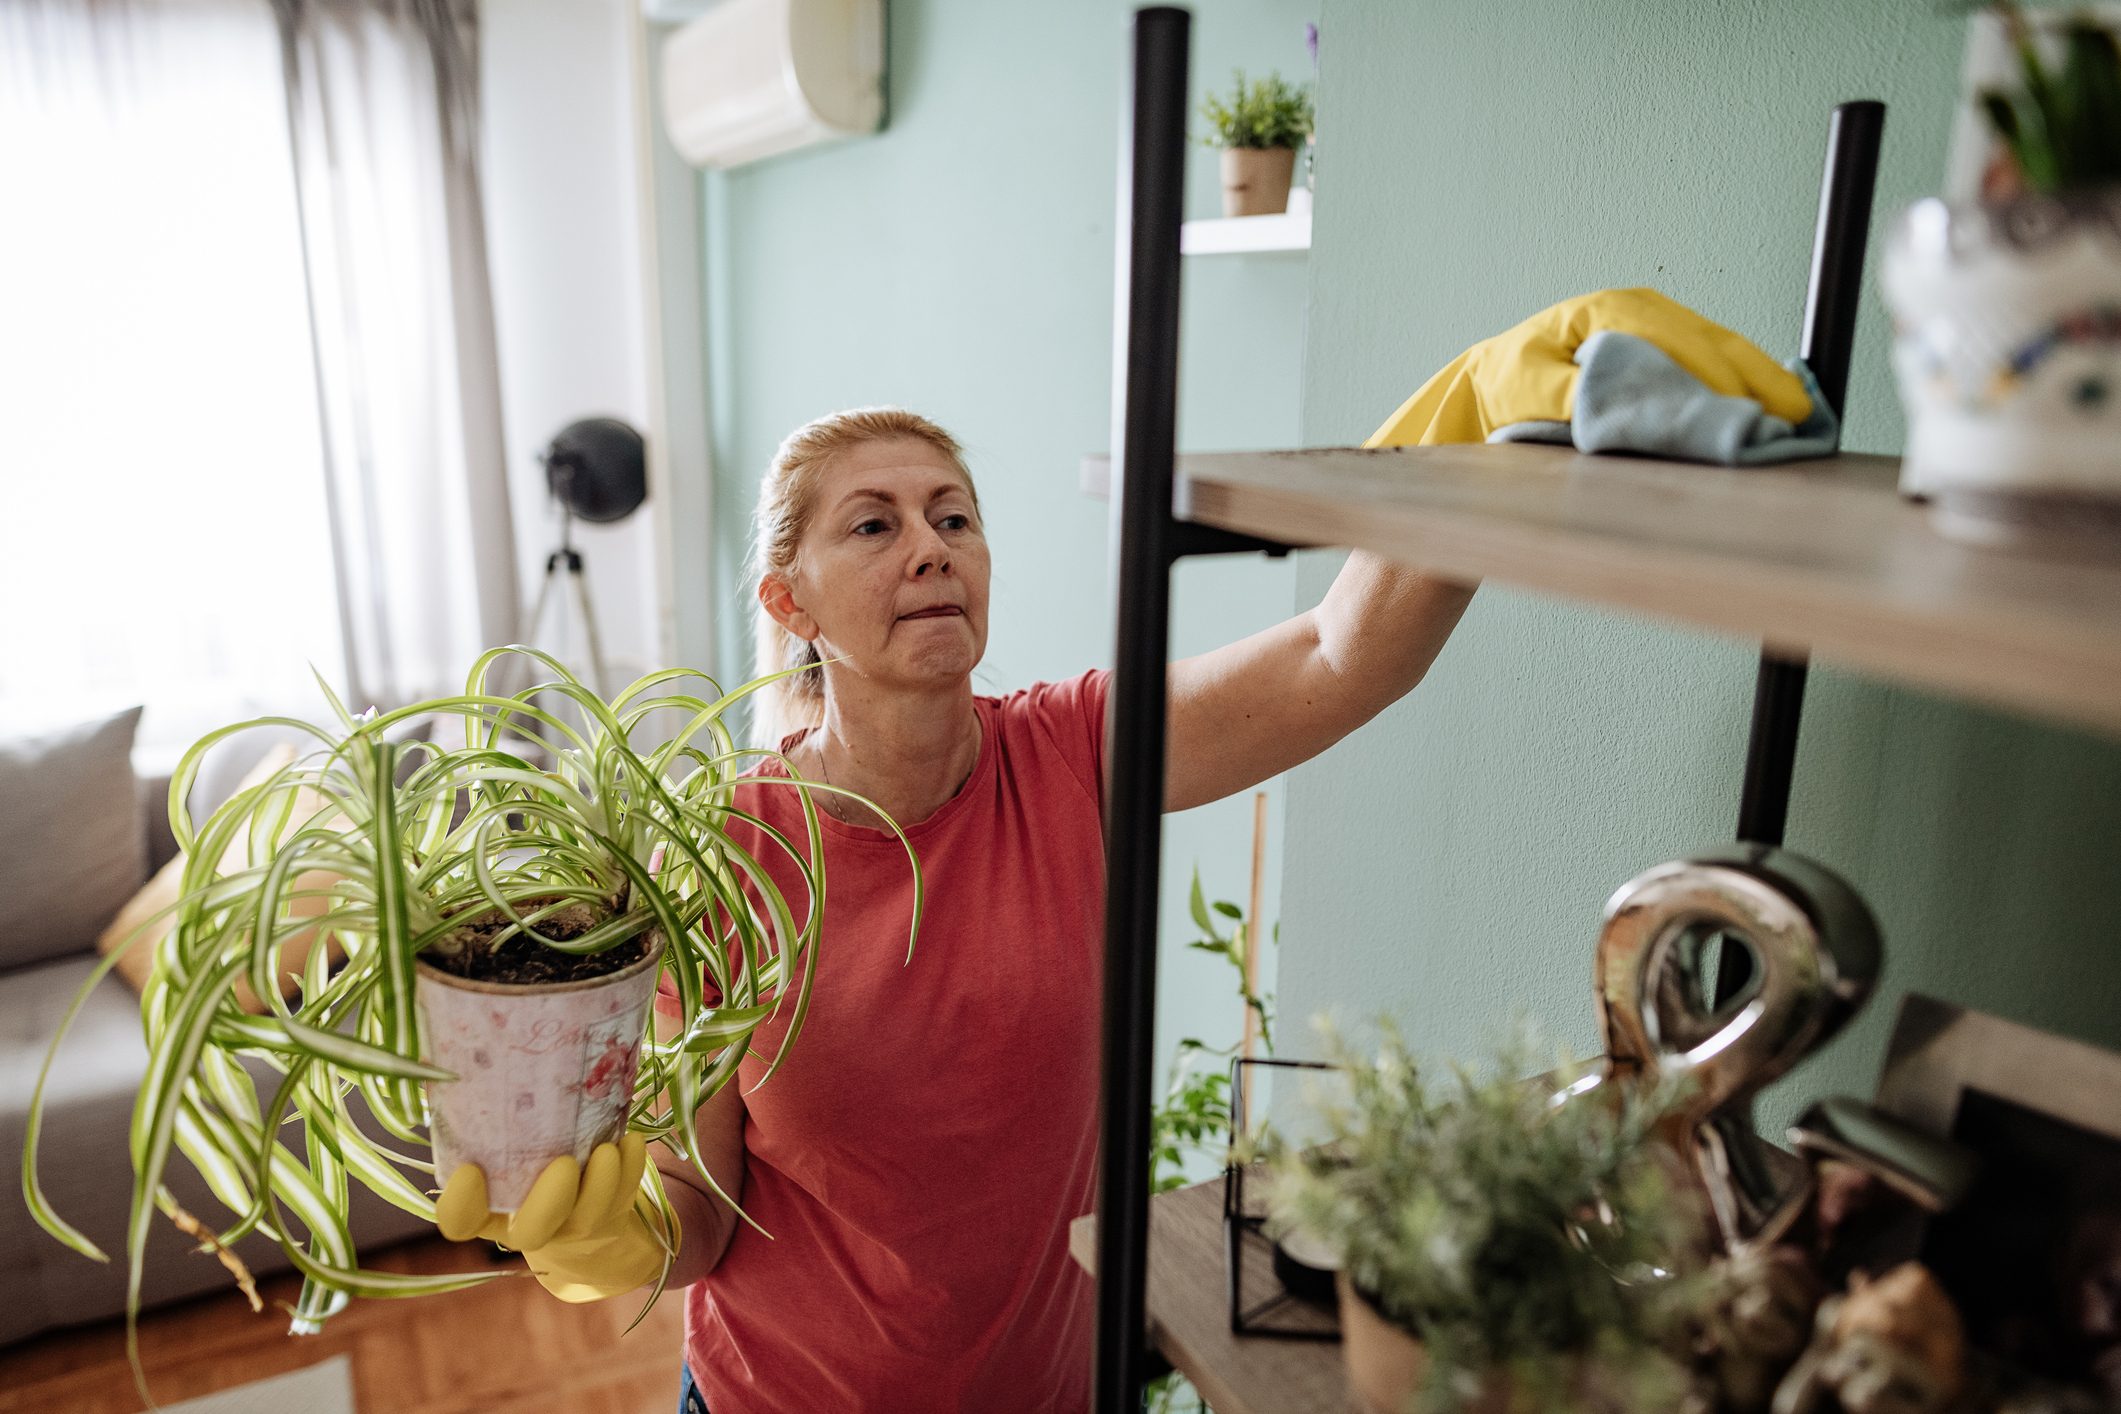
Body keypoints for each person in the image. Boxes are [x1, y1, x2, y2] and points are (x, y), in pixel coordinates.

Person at [443, 406, 1472, 1412]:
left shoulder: (1071, 754)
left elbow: (1338, 657)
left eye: (954, 518)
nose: (932, 549)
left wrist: (1469, 449)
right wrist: (604, 1238)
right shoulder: (725, 850)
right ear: (790, 601)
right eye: (875, 524)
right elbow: (700, 1222)